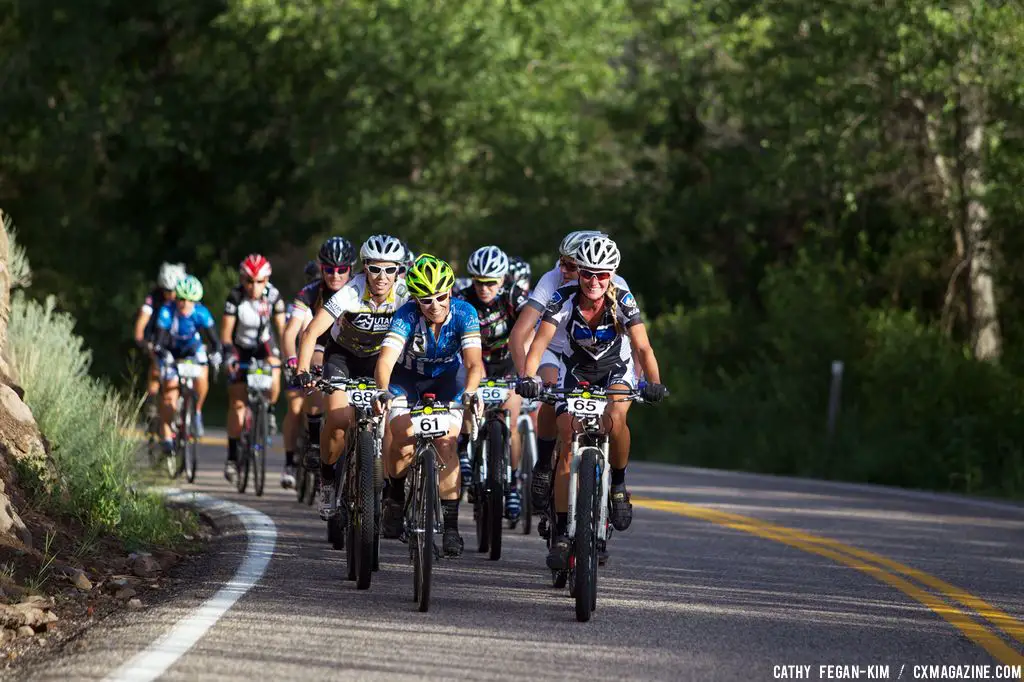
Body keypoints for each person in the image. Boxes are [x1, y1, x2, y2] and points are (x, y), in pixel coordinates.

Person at [516, 235, 667, 569]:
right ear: (579, 273)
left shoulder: (623, 300)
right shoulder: (563, 298)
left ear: (611, 275)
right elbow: (539, 342)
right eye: (588, 274)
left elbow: (643, 347)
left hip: (615, 369)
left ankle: (618, 483)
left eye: (602, 275)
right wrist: (528, 376)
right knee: (567, 434)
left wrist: (653, 383)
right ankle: (560, 532)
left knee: (616, 418)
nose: (595, 282)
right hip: (578, 369)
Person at [373, 254, 484, 557]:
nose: (434, 305)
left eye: (441, 297)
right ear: (416, 300)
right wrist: (382, 391)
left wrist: (472, 392)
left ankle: (450, 527)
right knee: (401, 438)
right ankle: (395, 497)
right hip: (407, 380)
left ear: (451, 292)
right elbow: (385, 361)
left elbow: (474, 364)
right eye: (426, 300)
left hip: (448, 381)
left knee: (447, 444)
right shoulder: (406, 315)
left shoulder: (465, 312)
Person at [508, 230, 623, 515]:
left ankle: (608, 493)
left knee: (614, 413)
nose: (565, 271)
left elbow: (633, 340)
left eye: (572, 266)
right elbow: (520, 333)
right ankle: (545, 463)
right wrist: (527, 377)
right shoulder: (551, 281)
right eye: (563, 263)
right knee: (550, 390)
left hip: (593, 353)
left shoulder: (613, 283)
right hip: (553, 348)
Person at [295, 234, 409, 519]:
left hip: (379, 360)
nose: (382, 277)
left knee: (393, 426)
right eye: (375, 268)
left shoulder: (406, 294)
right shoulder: (350, 292)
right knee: (337, 419)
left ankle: (388, 488)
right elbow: (311, 332)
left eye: (390, 269)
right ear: (364, 268)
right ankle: (328, 480)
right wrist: (303, 370)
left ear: (399, 270)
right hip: (342, 357)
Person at [455, 246, 529, 521]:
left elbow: (532, 326)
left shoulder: (513, 296)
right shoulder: (462, 298)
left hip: (506, 362)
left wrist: (527, 369)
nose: (484, 288)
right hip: (474, 361)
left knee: (511, 421)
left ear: (502, 280)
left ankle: (511, 484)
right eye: (478, 281)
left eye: (491, 282)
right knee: (467, 397)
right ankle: (464, 448)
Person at [281, 237, 356, 480]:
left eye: (342, 269)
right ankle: (314, 441)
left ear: (351, 269)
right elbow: (292, 330)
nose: (335, 275)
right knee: (315, 368)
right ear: (320, 269)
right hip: (321, 346)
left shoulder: (360, 289)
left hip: (353, 348)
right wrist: (292, 359)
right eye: (329, 270)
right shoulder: (310, 292)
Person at [221, 254, 287, 484]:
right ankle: (231, 457)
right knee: (237, 404)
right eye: (249, 281)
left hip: (264, 345)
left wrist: (288, 356)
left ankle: (268, 409)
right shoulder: (235, 296)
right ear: (242, 279)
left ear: (266, 279)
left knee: (275, 369)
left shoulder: (274, 296)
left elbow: (282, 329)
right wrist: (229, 355)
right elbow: (226, 334)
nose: (254, 287)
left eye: (259, 281)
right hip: (240, 347)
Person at [151, 275, 222, 454]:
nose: (185, 304)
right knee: (169, 396)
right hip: (171, 351)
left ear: (196, 301)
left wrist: (217, 354)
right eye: (181, 299)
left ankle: (196, 411)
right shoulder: (167, 311)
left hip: (192, 350)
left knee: (202, 374)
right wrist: (162, 353)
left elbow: (216, 342)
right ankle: (166, 435)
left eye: (190, 300)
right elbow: (158, 343)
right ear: (176, 298)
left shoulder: (201, 312)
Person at [133, 262, 186, 424]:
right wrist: (141, 339)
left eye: (173, 291)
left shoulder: (186, 297)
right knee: (157, 364)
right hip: (157, 338)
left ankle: (183, 402)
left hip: (178, 339)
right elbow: (143, 320)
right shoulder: (153, 297)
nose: (170, 295)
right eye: (166, 290)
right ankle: (152, 398)